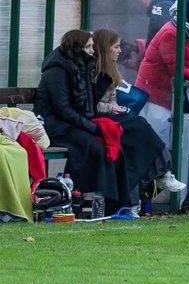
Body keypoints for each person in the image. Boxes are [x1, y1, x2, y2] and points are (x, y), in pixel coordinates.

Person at [34, 30, 136, 209]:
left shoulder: (81, 66)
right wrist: (92, 128)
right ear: (76, 47)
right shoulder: (57, 70)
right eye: (88, 46)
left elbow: (86, 105)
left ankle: (118, 202)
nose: (92, 50)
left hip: (72, 124)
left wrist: (100, 85)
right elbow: (63, 110)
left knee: (111, 145)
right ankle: (94, 201)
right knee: (95, 147)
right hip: (56, 126)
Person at [91, 28, 187, 211]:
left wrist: (113, 107)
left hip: (110, 119)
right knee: (139, 127)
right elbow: (90, 106)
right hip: (97, 121)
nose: (119, 51)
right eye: (116, 47)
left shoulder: (110, 70)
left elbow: (109, 101)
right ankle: (161, 174)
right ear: (105, 48)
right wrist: (111, 107)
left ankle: (142, 193)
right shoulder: (92, 71)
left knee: (138, 132)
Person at [136, 0, 189, 138]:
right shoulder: (172, 33)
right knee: (159, 141)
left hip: (168, 96)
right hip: (156, 98)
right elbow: (178, 70)